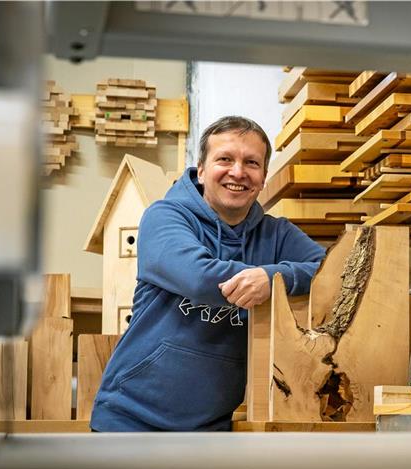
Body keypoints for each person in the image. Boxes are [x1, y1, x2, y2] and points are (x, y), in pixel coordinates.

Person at [90, 116, 326, 431]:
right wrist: (270, 278)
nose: (238, 172)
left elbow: (333, 272)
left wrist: (271, 279)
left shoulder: (277, 235)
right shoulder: (163, 218)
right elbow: (201, 278)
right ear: (201, 169)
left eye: (251, 163)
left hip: (209, 428)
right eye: (225, 159)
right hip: (131, 421)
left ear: (264, 176)